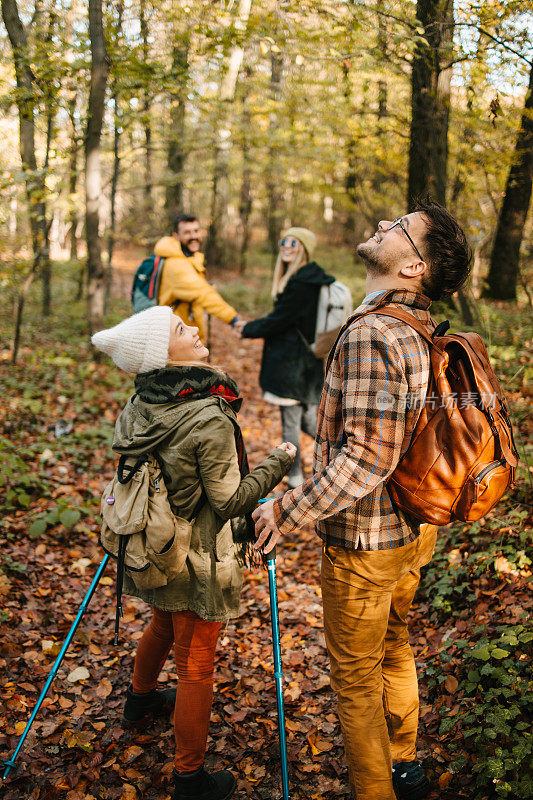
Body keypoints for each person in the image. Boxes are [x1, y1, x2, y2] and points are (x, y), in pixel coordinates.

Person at [252, 201, 472, 800]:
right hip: (412, 533)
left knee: (354, 678)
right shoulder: (417, 327)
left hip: (367, 543)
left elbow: (367, 457)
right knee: (394, 645)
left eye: (400, 229)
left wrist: (284, 510)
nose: (383, 227)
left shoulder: (376, 333)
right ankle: (403, 763)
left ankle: (377, 789)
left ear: (414, 267)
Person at [91, 305, 295, 800]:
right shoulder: (207, 414)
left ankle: (139, 702)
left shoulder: (142, 401)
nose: (196, 330)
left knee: (162, 622)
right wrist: (279, 462)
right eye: (182, 329)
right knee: (196, 667)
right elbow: (228, 501)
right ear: (162, 355)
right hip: (199, 555)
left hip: (155, 546)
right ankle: (190, 776)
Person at [236, 227, 334, 488]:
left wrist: (247, 328)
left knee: (292, 423)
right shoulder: (308, 279)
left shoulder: (302, 282)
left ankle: (295, 478)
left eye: (294, 242)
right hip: (305, 362)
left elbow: (279, 321)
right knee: (308, 420)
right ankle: (341, 450)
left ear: (304, 248)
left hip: (294, 365)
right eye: (284, 240)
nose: (287, 246)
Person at [156, 213, 242, 343]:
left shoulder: (190, 259)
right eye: (187, 233)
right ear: (176, 236)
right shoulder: (175, 265)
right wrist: (234, 319)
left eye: (196, 231)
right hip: (176, 341)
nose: (194, 236)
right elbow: (204, 294)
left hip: (187, 335)